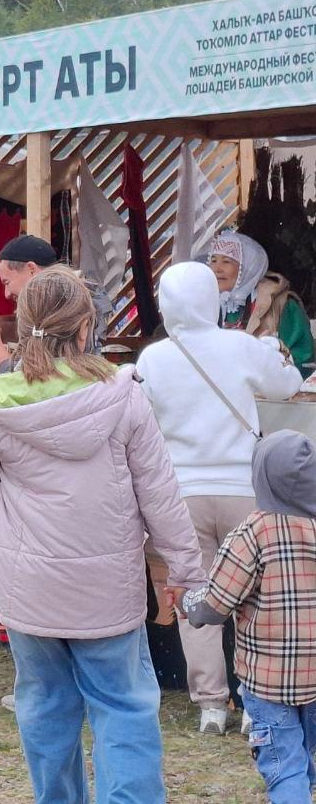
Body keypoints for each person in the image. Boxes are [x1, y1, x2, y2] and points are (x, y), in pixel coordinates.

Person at [0, 267, 205, 804]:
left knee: (44, 707)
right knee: (124, 707)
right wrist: (186, 570)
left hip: (28, 588)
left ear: (22, 327)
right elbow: (160, 493)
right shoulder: (123, 395)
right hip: (106, 588)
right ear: (86, 327)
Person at [137, 261, 302, 735]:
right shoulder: (240, 346)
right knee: (257, 599)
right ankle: (254, 700)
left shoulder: (153, 359)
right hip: (244, 491)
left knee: (194, 596)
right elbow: (287, 385)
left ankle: (211, 703)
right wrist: (272, 351)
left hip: (181, 494)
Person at [184, 431, 316, 803]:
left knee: (284, 767)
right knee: (304, 757)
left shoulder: (252, 533)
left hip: (269, 682)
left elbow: (215, 605)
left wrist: (190, 602)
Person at [0, 234, 111, 372]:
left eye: (7, 282)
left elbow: (36, 381)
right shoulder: (62, 298)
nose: (6, 294)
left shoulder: (73, 302)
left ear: (31, 269)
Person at [209, 229, 315, 373]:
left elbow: (303, 360)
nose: (217, 269)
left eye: (226, 261)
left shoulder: (282, 305)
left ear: (247, 267)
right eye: (213, 260)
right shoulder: (210, 304)